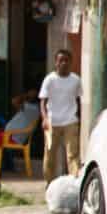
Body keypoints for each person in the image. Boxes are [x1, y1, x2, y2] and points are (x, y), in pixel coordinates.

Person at [39, 49, 83, 180]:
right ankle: (49, 183)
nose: (63, 63)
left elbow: (78, 100)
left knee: (72, 154)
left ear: (71, 63)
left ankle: (74, 182)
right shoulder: (50, 80)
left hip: (70, 121)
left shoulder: (76, 80)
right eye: (60, 60)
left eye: (66, 60)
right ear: (56, 63)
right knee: (50, 154)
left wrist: (79, 118)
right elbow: (43, 101)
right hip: (52, 122)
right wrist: (45, 119)